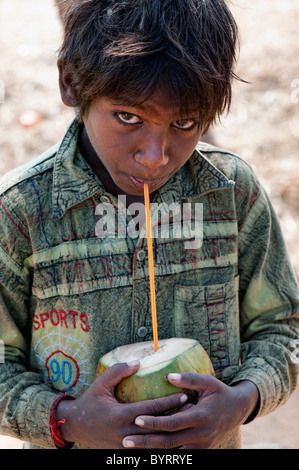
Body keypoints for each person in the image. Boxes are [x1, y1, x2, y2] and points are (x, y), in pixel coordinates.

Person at [0, 0, 298, 450]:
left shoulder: (233, 193)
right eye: (128, 117)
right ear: (70, 82)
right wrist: (68, 420)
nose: (155, 156)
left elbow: (283, 327)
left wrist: (242, 400)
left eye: (185, 122)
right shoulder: (19, 212)